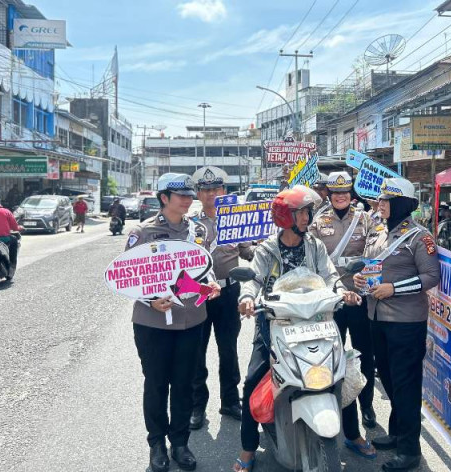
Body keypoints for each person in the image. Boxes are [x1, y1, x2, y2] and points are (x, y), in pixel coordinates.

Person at [233, 185, 360, 472]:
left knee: (340, 372)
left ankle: (353, 434)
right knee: (253, 382)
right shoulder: (267, 249)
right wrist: (247, 298)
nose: (307, 217)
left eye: (307, 212)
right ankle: (248, 448)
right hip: (276, 323)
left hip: (315, 323)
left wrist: (344, 291)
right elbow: (253, 280)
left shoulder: (313, 245)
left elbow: (330, 275)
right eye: (302, 212)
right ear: (285, 216)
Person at [125, 173, 222, 472]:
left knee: (183, 384)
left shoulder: (197, 230)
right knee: (156, 384)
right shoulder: (142, 232)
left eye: (189, 193)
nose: (187, 198)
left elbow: (203, 269)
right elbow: (126, 276)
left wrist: (213, 284)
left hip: (191, 319)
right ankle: (156, 444)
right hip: (152, 324)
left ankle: (179, 443)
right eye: (180, 194)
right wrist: (149, 300)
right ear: (164, 198)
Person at [354, 177, 441, 471]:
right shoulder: (379, 232)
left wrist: (394, 289)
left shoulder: (419, 237)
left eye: (386, 200)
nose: (380, 204)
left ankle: (410, 450)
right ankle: (397, 432)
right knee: (389, 380)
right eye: (380, 199)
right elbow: (372, 267)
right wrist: (361, 279)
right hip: (377, 317)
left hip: (406, 322)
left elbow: (431, 276)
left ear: (401, 203)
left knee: (405, 385)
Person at [308, 171, 377, 459]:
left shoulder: (365, 220)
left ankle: (367, 406)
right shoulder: (318, 221)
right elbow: (308, 255)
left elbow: (376, 253)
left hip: (359, 300)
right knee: (329, 358)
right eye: (336, 193)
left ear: (352, 195)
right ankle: (330, 408)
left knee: (364, 355)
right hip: (331, 302)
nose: (340, 197)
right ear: (329, 194)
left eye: (345, 193)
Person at [189, 167, 255, 429]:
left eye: (216, 189)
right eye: (205, 190)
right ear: (198, 193)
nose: (211, 194)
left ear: (224, 192)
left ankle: (230, 401)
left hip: (229, 292)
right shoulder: (190, 223)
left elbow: (247, 253)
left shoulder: (234, 221)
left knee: (228, 350)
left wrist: (260, 244)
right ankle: (197, 406)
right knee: (196, 351)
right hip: (198, 293)